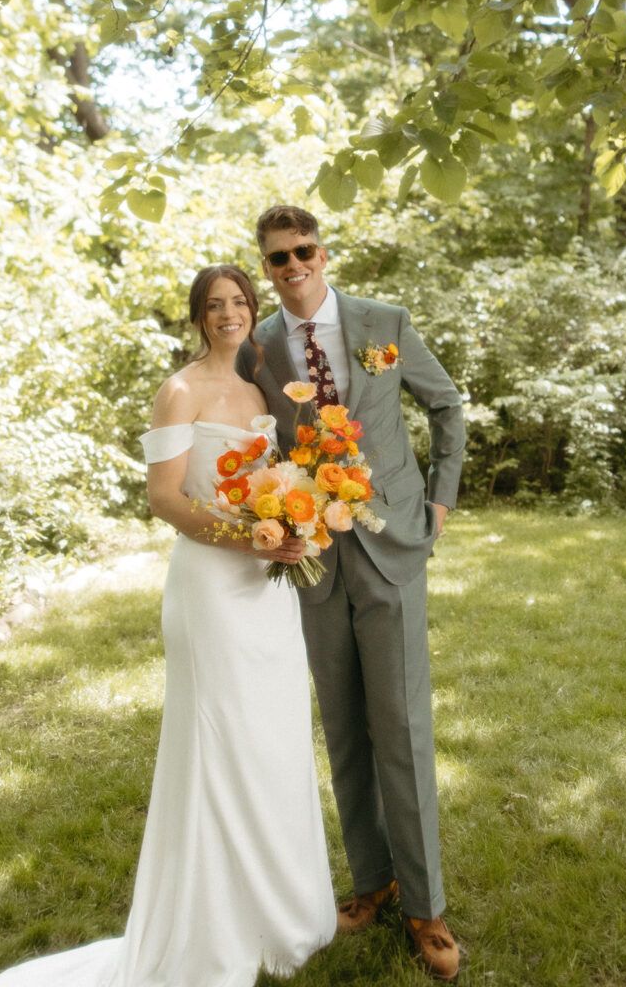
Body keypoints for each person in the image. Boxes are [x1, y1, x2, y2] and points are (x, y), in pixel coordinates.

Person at [0, 264, 336, 987]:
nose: (228, 314)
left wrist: (293, 520)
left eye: (238, 302)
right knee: (219, 743)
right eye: (215, 305)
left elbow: (279, 475)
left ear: (250, 310)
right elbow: (165, 498)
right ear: (197, 316)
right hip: (210, 585)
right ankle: (210, 925)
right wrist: (247, 538)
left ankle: (279, 912)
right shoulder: (178, 391)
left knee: (272, 740)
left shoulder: (257, 386)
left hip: (267, 587)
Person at [236, 206, 466, 981]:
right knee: (342, 726)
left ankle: (426, 907)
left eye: (302, 251)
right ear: (264, 268)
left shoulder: (381, 321)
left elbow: (446, 404)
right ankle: (371, 883)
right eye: (277, 258)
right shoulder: (258, 345)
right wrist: (261, 514)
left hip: (391, 540)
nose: (292, 266)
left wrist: (439, 497)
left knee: (399, 724)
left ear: (322, 253)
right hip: (313, 555)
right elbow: (244, 440)